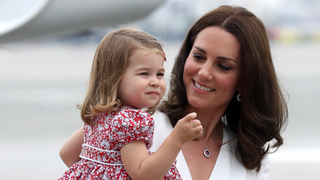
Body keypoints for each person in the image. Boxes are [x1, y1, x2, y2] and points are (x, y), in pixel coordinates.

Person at [59, 5, 288, 180]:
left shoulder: (250, 155)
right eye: (198, 57)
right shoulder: (137, 122)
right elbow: (75, 159)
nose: (203, 72)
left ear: (245, 80)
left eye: (223, 66)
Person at [58, 27, 203, 180]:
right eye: (144, 74)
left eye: (159, 74)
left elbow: (67, 154)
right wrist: (176, 139)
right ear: (114, 77)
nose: (155, 82)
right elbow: (143, 175)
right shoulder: (131, 120)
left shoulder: (101, 116)